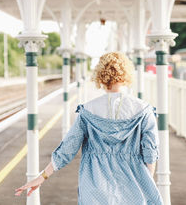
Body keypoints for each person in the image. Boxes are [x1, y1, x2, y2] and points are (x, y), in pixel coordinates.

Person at [15, 52, 163, 204]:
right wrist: (146, 181)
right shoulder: (144, 111)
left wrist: (42, 176)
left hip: (95, 185)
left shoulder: (87, 111)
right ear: (127, 74)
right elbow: (150, 152)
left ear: (100, 76)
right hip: (133, 185)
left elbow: (68, 148)